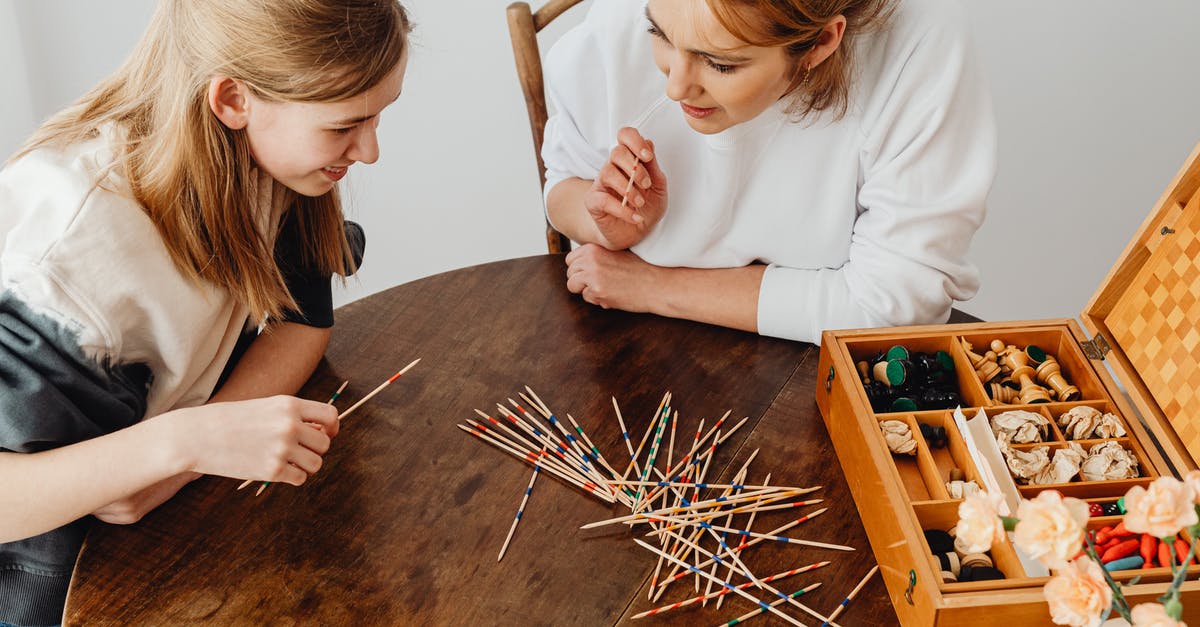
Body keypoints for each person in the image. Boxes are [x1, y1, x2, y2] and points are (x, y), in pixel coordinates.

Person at [0, 1, 411, 624]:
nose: (371, 150)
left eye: (379, 116)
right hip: (42, 587)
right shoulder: (72, 253)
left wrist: (188, 456)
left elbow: (303, 324)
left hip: (153, 547)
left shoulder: (273, 164)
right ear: (234, 100)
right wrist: (183, 443)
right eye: (344, 125)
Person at [542, 0, 996, 344]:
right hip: (624, 340)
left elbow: (896, 305)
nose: (675, 87)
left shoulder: (920, 41)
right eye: (659, 34)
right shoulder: (620, 19)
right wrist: (605, 224)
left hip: (821, 369)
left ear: (820, 43)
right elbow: (563, 178)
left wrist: (653, 287)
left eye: (720, 63)